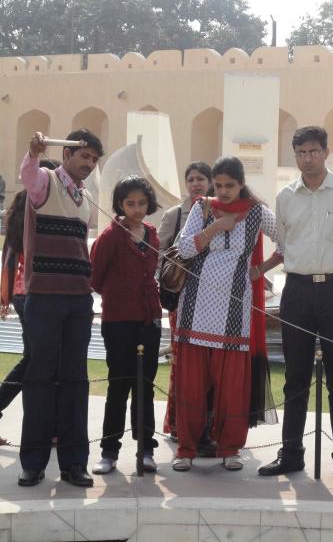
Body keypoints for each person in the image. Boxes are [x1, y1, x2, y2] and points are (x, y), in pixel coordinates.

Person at [257, 125, 333, 481]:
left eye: (313, 151)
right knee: (295, 376)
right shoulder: (286, 196)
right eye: (301, 153)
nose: (307, 159)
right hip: (298, 291)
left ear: (325, 152)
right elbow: (285, 241)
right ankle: (291, 454)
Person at [171, 156, 283, 472]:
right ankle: (186, 449)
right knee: (191, 385)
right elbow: (184, 249)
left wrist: (260, 269)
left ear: (241, 183)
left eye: (229, 185)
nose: (222, 191)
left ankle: (230, 448)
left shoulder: (257, 212)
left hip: (235, 310)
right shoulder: (203, 208)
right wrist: (215, 227)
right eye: (218, 185)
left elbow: (288, 242)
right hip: (195, 308)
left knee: (232, 387)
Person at [17, 129, 103, 488]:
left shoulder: (86, 197)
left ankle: (74, 463)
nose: (89, 163)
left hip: (78, 299)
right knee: (39, 378)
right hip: (45, 297)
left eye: (94, 159)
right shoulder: (45, 181)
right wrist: (34, 151)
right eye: (84, 155)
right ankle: (33, 463)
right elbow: (28, 174)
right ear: (67, 153)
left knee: (75, 380)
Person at [90, 176, 162, 475]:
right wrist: (121, 293)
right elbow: (94, 278)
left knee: (145, 387)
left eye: (142, 203)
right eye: (130, 203)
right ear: (120, 205)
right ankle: (109, 452)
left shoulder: (152, 234)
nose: (137, 209)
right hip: (118, 321)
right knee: (119, 386)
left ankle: (146, 450)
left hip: (149, 320)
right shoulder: (110, 236)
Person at [0, 160, 61, 448]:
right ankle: (48, 428)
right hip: (34, 293)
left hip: (23, 292)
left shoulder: (24, 205)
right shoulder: (38, 206)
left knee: (37, 359)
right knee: (38, 360)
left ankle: (49, 427)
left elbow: (9, 255)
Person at [158, 161, 215, 452]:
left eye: (201, 178)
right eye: (190, 179)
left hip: (213, 300)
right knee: (182, 362)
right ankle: (179, 425)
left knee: (210, 364)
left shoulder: (220, 212)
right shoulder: (175, 214)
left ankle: (208, 428)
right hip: (182, 299)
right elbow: (160, 255)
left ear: (210, 182)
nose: (195, 184)